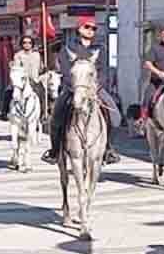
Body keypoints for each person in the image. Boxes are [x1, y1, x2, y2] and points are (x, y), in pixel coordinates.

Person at [41, 16, 122, 165]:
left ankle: (108, 149)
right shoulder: (68, 48)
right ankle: (54, 151)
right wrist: (75, 87)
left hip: (95, 89)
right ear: (79, 29)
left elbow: (104, 70)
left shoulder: (100, 48)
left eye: (93, 28)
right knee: (55, 117)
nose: (91, 30)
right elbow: (65, 70)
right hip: (72, 88)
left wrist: (98, 86)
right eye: (87, 27)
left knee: (116, 116)